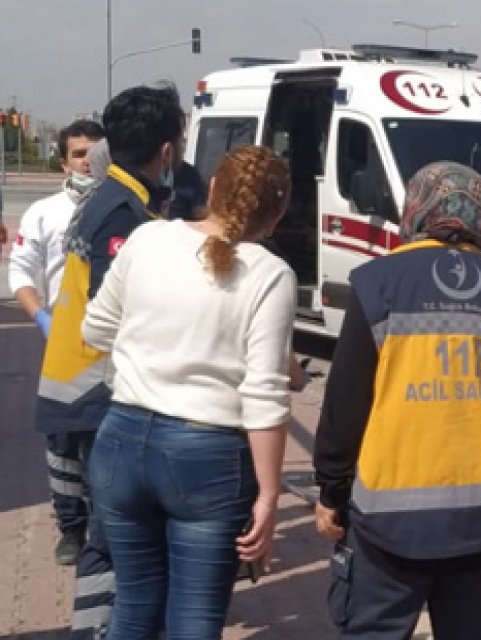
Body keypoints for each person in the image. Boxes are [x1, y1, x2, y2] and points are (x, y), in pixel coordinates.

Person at [312, 161, 481, 640]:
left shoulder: (378, 283)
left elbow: (346, 402)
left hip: (391, 526)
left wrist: (332, 491)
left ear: (416, 210)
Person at [81, 145, 294, 638]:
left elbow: (95, 330)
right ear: (278, 213)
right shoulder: (269, 273)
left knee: (133, 606)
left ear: (214, 188)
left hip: (121, 440)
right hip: (207, 455)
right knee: (194, 619)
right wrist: (268, 495)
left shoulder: (148, 238)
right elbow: (264, 395)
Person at [34, 82, 187, 639]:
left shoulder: (110, 197)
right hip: (97, 395)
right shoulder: (124, 214)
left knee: (112, 536)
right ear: (167, 151)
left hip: (80, 389)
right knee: (112, 539)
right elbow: (116, 312)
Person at [7, 119, 105, 565]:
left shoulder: (122, 208)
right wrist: (40, 316)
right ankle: (71, 526)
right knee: (64, 440)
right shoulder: (44, 212)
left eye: (94, 151)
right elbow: (20, 272)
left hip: (113, 344)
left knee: (108, 438)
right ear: (64, 160)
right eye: (79, 153)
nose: (87, 160)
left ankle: (108, 524)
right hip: (63, 343)